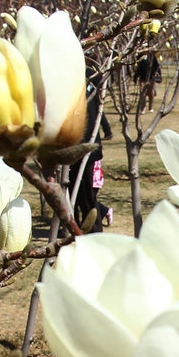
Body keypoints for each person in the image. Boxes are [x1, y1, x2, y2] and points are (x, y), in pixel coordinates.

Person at [69, 65, 113, 233]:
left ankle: (94, 235)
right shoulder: (68, 77)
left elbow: (97, 108)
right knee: (71, 198)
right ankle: (73, 231)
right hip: (71, 149)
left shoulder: (90, 75)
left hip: (88, 151)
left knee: (88, 200)